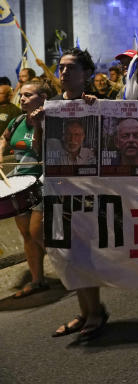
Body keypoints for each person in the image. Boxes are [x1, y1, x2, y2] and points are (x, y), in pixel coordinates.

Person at [44, 49, 109, 340]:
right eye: (61, 67)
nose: (65, 73)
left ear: (86, 74)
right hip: (57, 192)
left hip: (87, 193)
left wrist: (99, 109)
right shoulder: (52, 106)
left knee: (83, 253)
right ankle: (84, 311)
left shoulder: (98, 104)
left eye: (71, 68)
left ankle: (95, 312)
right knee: (66, 252)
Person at [1, 78, 52, 299]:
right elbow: (4, 139)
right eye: (21, 94)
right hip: (19, 183)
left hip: (43, 181)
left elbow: (41, 151)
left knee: (36, 231)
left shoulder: (52, 120)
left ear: (42, 98)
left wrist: (40, 125)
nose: (22, 98)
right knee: (26, 235)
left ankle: (77, 269)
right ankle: (37, 280)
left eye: (28, 95)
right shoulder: (17, 121)